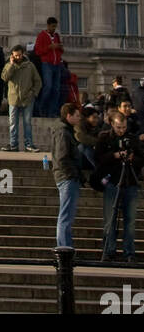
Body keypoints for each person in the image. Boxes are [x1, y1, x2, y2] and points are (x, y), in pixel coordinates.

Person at [94, 108, 144, 264]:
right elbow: (99, 159)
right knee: (110, 219)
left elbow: (142, 159)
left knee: (130, 221)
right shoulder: (104, 138)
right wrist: (114, 155)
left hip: (130, 182)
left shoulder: (133, 139)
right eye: (118, 127)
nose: (121, 130)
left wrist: (132, 158)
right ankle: (109, 250)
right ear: (112, 125)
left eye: (123, 127)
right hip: (112, 182)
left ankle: (129, 252)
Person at [52, 103, 84, 250]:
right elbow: (62, 157)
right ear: (68, 116)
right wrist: (73, 174)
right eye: (77, 115)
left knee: (67, 215)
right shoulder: (63, 132)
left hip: (66, 176)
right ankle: (64, 248)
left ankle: (65, 246)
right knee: (66, 215)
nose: (79, 118)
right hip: (67, 177)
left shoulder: (66, 131)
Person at [1, 45, 42, 152]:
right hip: (13, 99)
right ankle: (13, 144)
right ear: (12, 56)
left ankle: (29, 144)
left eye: (19, 55)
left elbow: (38, 81)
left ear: (23, 54)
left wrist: (33, 93)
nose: (17, 57)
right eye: (15, 56)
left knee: (27, 122)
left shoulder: (30, 66)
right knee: (13, 123)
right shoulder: (9, 65)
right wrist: (11, 65)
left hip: (27, 98)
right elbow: (4, 77)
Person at [34, 18, 64, 119]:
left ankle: (52, 111)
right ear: (48, 25)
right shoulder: (41, 36)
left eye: (55, 27)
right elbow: (38, 51)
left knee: (56, 89)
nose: (54, 29)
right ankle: (42, 108)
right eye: (52, 26)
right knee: (48, 87)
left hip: (57, 64)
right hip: (47, 64)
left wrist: (59, 48)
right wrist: (50, 47)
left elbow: (60, 50)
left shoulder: (56, 36)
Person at [75, 103, 103, 171]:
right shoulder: (79, 125)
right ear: (86, 118)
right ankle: (99, 169)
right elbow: (82, 137)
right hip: (78, 156)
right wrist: (99, 142)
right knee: (84, 146)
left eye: (97, 118)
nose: (96, 120)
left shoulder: (95, 127)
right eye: (94, 117)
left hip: (89, 158)